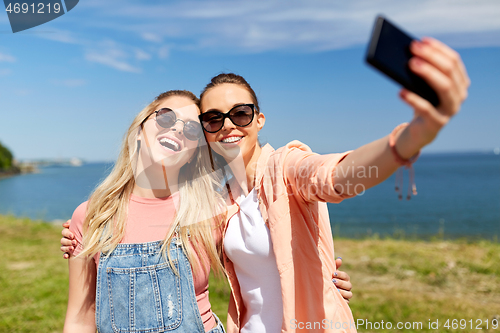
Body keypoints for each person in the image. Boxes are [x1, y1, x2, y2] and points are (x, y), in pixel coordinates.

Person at [195, 37, 469, 333]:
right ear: (205, 131)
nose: (227, 126)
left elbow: (335, 176)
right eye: (213, 119)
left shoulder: (287, 166)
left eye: (240, 114)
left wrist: (412, 137)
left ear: (259, 120)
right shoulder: (222, 201)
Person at [63, 90, 228, 333]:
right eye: (165, 118)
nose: (178, 129)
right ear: (139, 131)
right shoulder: (93, 216)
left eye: (192, 129)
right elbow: (80, 318)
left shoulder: (213, 211)